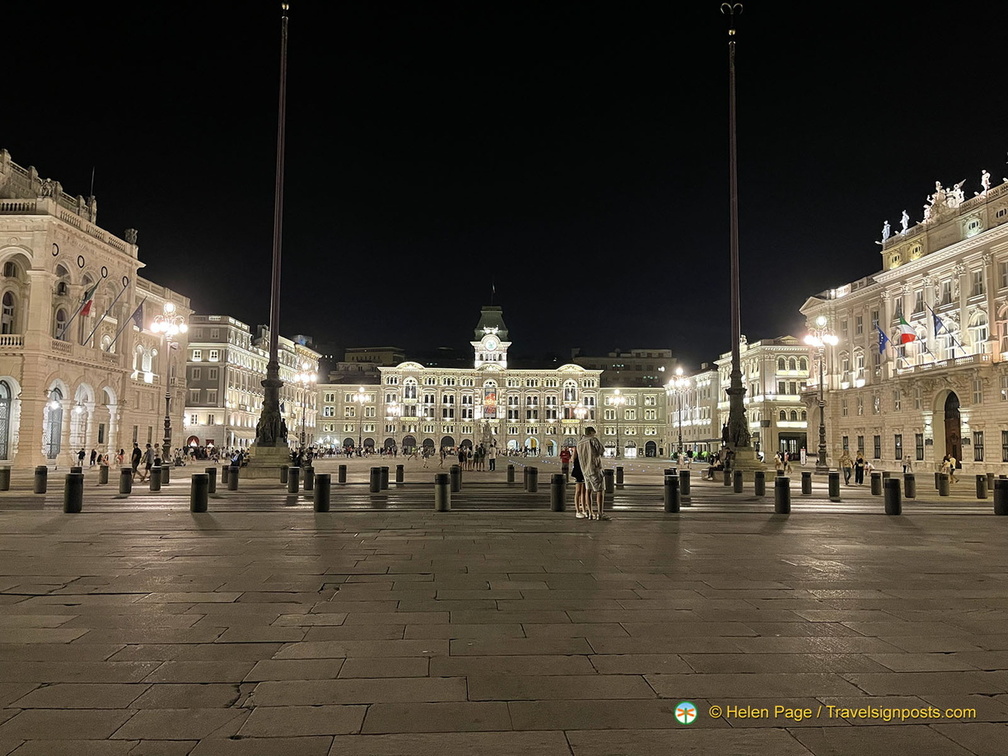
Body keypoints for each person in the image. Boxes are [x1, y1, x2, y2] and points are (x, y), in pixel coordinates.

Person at [576, 426, 608, 520]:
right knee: (600, 491)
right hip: (594, 468)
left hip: (585, 470)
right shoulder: (593, 440)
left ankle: (590, 513)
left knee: (588, 491)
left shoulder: (579, 443)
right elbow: (601, 451)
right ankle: (600, 513)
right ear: (591, 432)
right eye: (594, 433)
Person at [570, 443, 587, 518]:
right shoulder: (577, 450)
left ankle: (584, 509)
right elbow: (572, 459)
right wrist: (575, 451)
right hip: (578, 471)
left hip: (585, 471)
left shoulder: (586, 450)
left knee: (584, 491)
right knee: (578, 491)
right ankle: (577, 511)